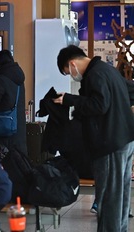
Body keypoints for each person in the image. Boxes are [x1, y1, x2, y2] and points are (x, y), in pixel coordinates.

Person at [55, 45, 134, 232]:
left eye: (68, 72)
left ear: (72, 64)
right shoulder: (108, 70)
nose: (72, 75)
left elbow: (99, 105)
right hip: (124, 139)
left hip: (110, 143)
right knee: (120, 195)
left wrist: (70, 100)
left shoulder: (95, 75)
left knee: (109, 197)